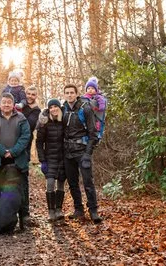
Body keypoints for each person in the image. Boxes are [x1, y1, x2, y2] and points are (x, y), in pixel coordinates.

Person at [0, 92, 31, 217]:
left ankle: (24, 215)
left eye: (9, 102)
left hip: (17, 159)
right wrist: (2, 151)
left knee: (21, 187)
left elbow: (26, 136)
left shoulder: (21, 118)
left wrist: (13, 152)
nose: (6, 105)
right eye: (4, 102)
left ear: (13, 104)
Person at [62, 84, 102, 224]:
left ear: (76, 93)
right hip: (67, 152)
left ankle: (93, 210)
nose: (69, 95)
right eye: (67, 93)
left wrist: (88, 154)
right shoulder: (63, 109)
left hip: (82, 151)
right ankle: (78, 209)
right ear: (64, 94)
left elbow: (93, 133)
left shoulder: (85, 108)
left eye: (72, 93)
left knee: (88, 182)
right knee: (72, 183)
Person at [36, 98, 66, 221]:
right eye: (51, 107)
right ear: (48, 109)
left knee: (61, 184)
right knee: (50, 184)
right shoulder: (44, 122)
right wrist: (42, 160)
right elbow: (39, 143)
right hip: (49, 158)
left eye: (55, 106)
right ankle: (51, 211)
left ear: (59, 108)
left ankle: (59, 210)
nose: (53, 109)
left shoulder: (64, 120)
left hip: (63, 158)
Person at [21, 86, 41, 220]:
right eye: (28, 93)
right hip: (10, 144)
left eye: (33, 94)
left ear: (36, 96)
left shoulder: (36, 110)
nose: (30, 96)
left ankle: (24, 212)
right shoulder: (20, 104)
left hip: (25, 147)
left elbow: (29, 124)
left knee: (23, 179)